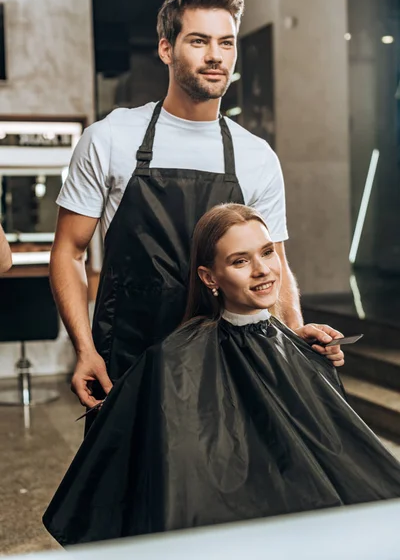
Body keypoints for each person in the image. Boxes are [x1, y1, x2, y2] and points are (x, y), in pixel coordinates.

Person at [50, 0, 338, 417]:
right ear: (166, 48)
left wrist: (293, 333)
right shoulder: (110, 139)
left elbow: (274, 261)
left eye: (226, 43)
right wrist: (84, 350)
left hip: (231, 361)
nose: (215, 56)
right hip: (130, 358)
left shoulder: (255, 155)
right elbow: (69, 251)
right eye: (199, 41)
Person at [43, 204, 400, 546]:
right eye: (240, 261)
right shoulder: (175, 361)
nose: (262, 270)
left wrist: (308, 355)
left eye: (268, 252)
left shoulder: (301, 347)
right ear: (209, 277)